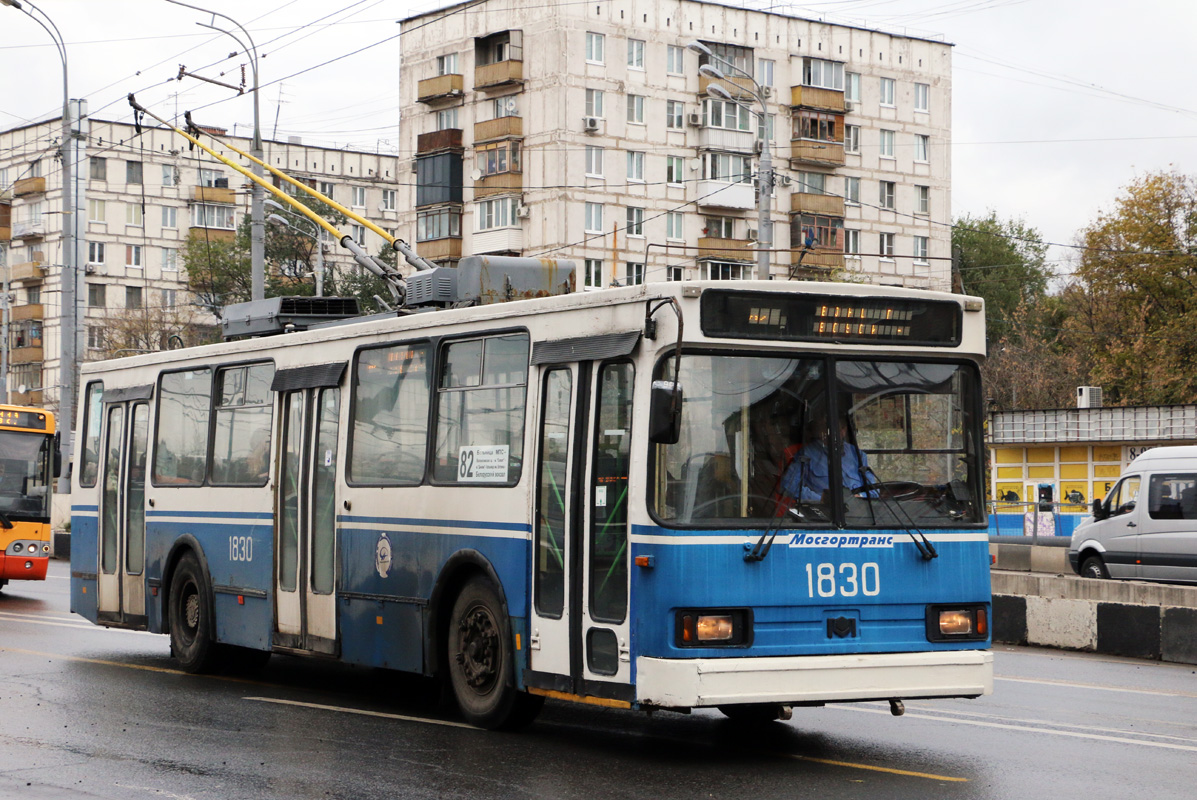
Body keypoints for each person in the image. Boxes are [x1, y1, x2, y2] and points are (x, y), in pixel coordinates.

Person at [780, 410, 872, 503]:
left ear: (844, 430)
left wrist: (860, 497)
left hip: (859, 512)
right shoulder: (807, 454)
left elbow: (873, 489)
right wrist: (820, 499)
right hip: (824, 512)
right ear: (821, 430)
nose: (836, 432)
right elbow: (788, 485)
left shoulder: (857, 454)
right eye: (827, 428)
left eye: (841, 428)